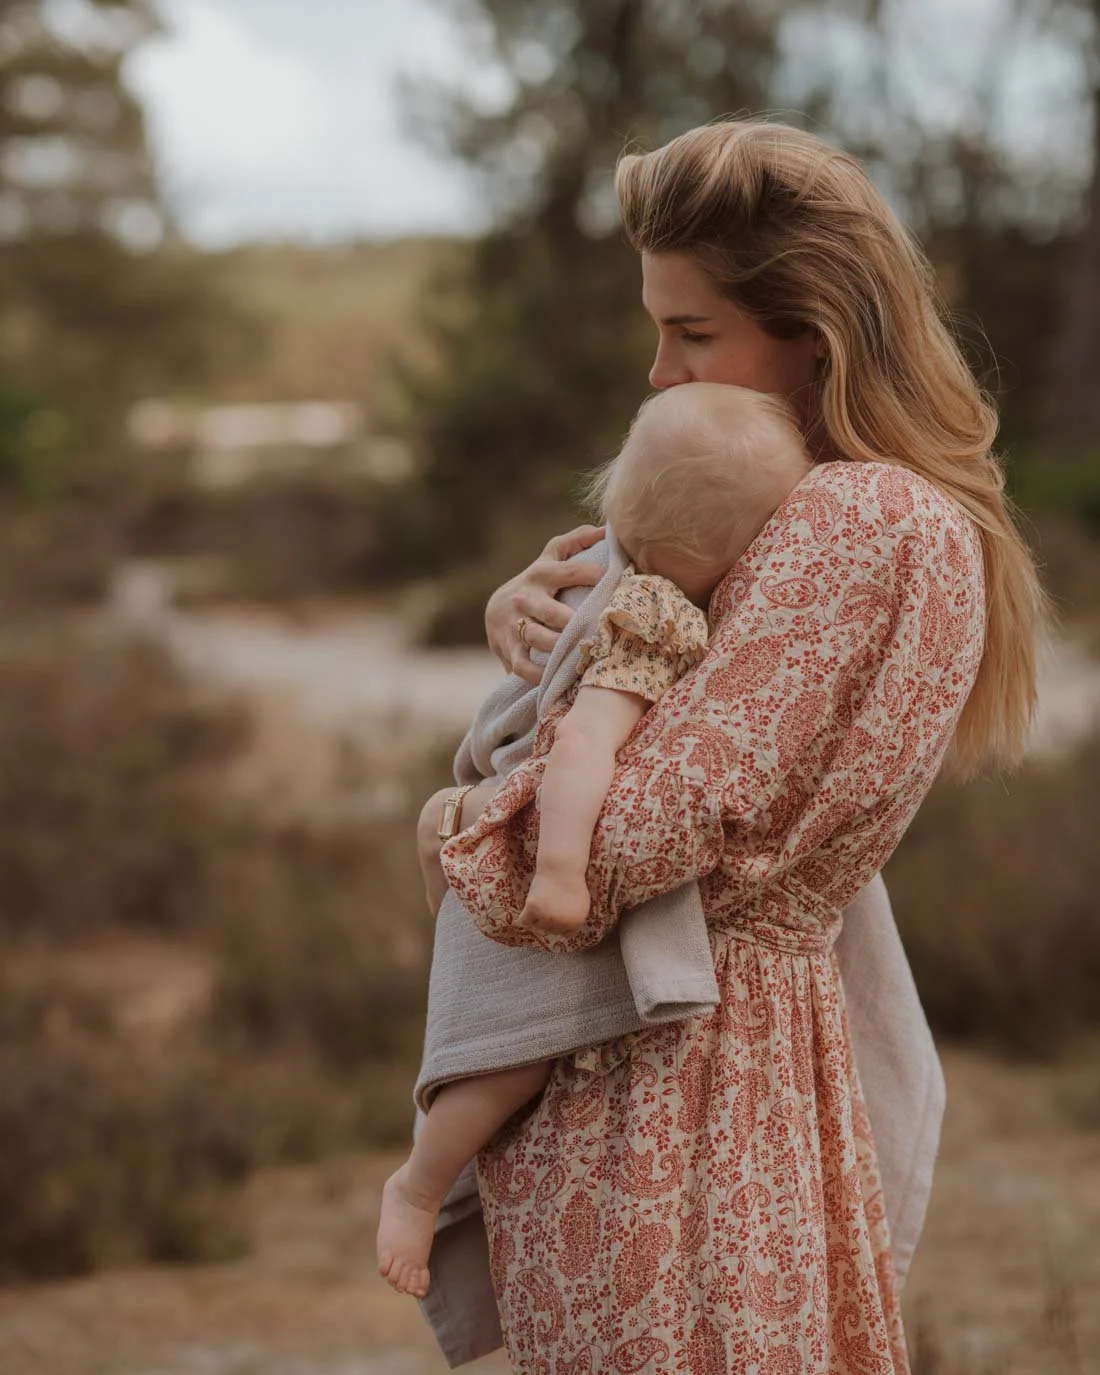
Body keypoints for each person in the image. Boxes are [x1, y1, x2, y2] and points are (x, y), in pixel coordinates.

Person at [435, 120, 1046, 1373]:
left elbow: (631, 838)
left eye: (693, 332)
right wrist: (549, 626)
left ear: (812, 335)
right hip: (702, 1051)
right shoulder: (792, 517)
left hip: (679, 1075)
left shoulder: (856, 517)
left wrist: (469, 818)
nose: (658, 374)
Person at [376, 381, 813, 1299]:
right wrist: (565, 871)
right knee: (510, 1061)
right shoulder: (655, 611)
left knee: (512, 1056)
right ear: (705, 552)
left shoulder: (620, 572)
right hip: (538, 861)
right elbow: (582, 741)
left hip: (500, 834)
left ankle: (419, 1181)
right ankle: (415, 1188)